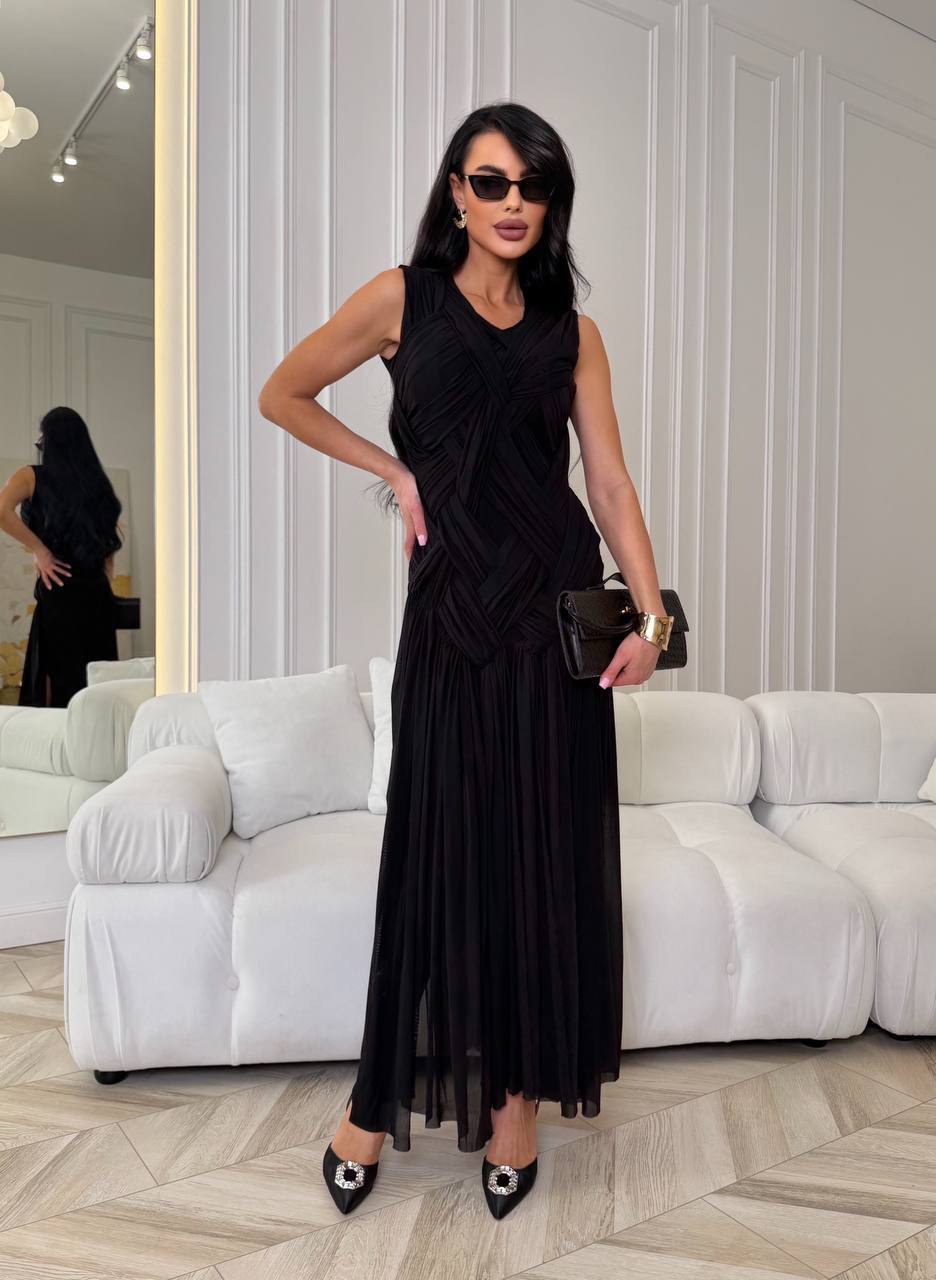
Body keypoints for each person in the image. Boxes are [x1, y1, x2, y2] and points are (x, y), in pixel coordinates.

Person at [258, 101, 674, 1219]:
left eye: (532, 186)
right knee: (435, 856)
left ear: (552, 202)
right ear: (456, 191)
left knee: (541, 862)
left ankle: (516, 1106)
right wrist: (397, 473)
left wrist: (653, 619)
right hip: (449, 619)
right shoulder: (402, 298)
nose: (511, 204)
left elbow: (609, 482)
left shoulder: (574, 333)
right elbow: (282, 393)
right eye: (491, 182)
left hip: (551, 618)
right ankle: (374, 1100)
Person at [0, 406, 123, 708]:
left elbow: (2, 512)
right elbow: (107, 549)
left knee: (59, 683)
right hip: (97, 594)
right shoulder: (98, 484)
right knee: (97, 683)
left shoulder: (31, 476)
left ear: (49, 441)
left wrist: (40, 551)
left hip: (60, 588)